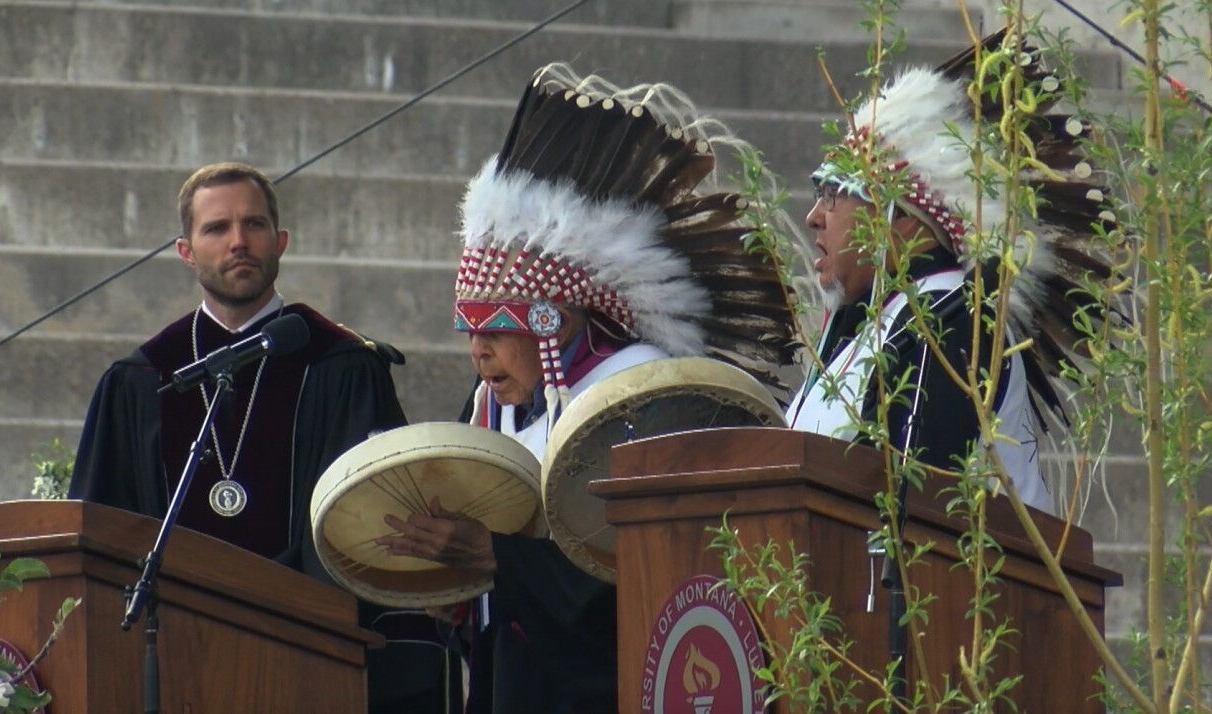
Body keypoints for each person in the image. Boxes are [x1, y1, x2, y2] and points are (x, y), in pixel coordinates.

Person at [374, 65, 801, 713]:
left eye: (496, 328)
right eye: (467, 328)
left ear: (557, 318)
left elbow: (649, 569)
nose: (476, 350)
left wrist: (498, 558)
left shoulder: (645, 400)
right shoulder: (494, 397)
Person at [68, 161, 457, 713]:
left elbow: (368, 524)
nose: (237, 242)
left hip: (310, 659)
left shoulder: (342, 366)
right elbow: (106, 528)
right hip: (174, 660)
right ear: (186, 251)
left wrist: (292, 616)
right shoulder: (145, 380)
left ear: (280, 241)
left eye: (252, 225)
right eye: (216, 228)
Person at [784, 35, 1121, 513]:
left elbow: (906, 517)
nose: (814, 216)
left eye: (834, 193)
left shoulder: (948, 324)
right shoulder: (871, 329)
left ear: (899, 217)